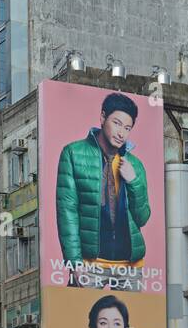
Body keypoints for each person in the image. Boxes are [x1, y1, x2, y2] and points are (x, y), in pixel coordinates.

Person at [55, 91, 151, 286]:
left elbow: (142, 217)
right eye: (116, 123)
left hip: (129, 266)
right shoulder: (73, 154)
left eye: (127, 127)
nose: (121, 133)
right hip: (89, 265)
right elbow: (67, 212)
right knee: (79, 316)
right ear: (102, 117)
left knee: (134, 318)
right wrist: (74, 262)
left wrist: (134, 182)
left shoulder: (134, 165)